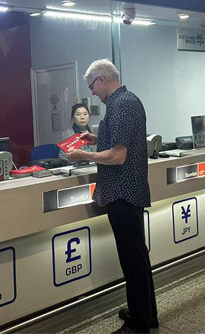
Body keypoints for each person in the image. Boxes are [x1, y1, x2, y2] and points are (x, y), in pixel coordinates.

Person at [66, 59, 157, 334]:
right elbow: (121, 142)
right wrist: (96, 140)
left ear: (102, 78)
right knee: (137, 257)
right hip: (127, 191)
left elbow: (118, 156)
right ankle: (146, 314)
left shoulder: (121, 105)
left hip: (123, 192)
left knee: (132, 259)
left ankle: (138, 323)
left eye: (92, 86)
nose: (92, 93)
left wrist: (83, 155)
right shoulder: (126, 102)